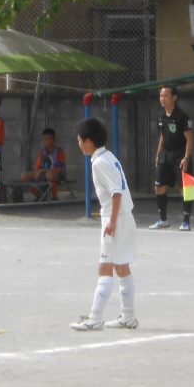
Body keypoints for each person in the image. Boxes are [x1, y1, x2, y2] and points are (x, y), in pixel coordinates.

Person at [70, 117, 138, 331]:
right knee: (122, 266)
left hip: (115, 219)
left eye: (79, 140)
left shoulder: (99, 163)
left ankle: (95, 318)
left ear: (88, 141)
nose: (78, 144)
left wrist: (112, 222)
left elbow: (116, 193)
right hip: (125, 217)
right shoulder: (108, 156)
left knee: (105, 267)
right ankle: (128, 316)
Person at [151, 85, 194, 231]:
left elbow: (190, 139)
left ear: (174, 98)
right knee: (159, 186)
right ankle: (163, 220)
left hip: (180, 156)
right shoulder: (161, 117)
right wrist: (158, 154)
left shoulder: (182, 116)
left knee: (184, 188)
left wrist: (186, 158)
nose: (162, 98)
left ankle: (186, 222)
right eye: (161, 96)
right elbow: (162, 136)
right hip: (165, 155)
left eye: (165, 96)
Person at [20, 127, 67, 200]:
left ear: (54, 140)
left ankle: (54, 197)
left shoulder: (59, 151)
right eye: (45, 140)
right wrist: (37, 173)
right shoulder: (42, 152)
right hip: (43, 174)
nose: (47, 142)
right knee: (24, 175)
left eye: (49, 139)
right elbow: (37, 166)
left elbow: (57, 168)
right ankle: (40, 195)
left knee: (49, 175)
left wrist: (42, 171)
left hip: (58, 175)